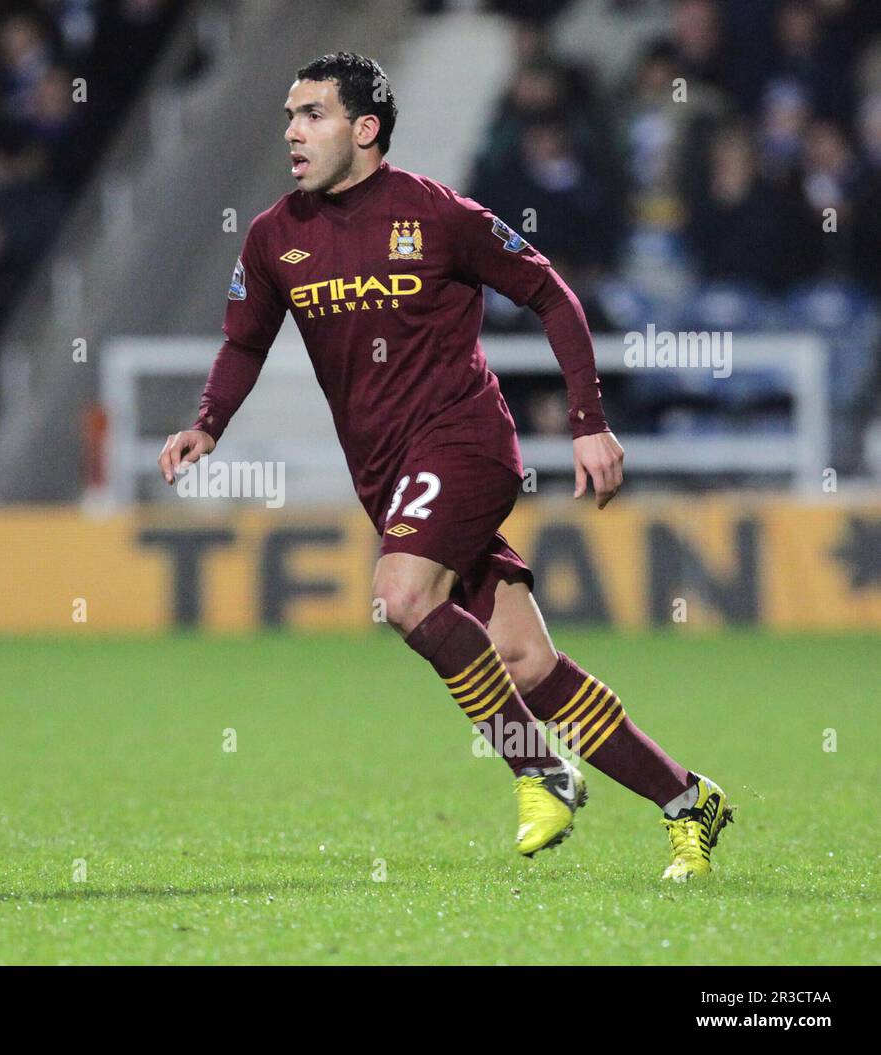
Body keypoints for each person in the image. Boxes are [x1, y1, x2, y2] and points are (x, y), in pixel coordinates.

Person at [157, 53, 733, 881]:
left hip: (463, 441)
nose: (291, 130)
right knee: (527, 664)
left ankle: (538, 772)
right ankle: (689, 801)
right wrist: (208, 422)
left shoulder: (437, 215)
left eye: (312, 114)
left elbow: (550, 295)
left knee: (400, 595)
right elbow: (245, 341)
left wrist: (588, 424)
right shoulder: (275, 236)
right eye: (289, 114)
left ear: (365, 129)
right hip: (386, 475)